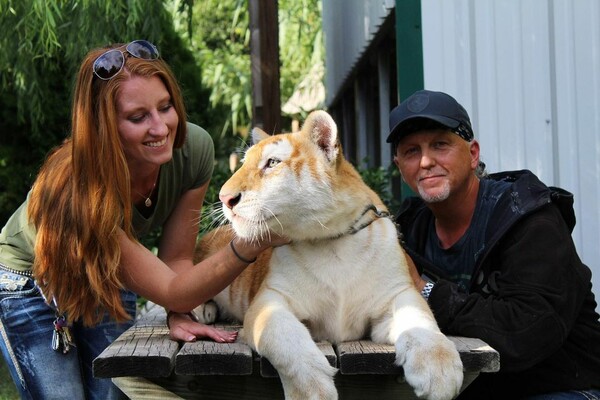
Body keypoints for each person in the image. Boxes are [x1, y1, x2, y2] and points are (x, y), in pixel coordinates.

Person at [0, 40, 287, 400]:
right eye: (138, 117)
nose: (161, 127)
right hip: (33, 281)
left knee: (115, 392)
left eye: (165, 107)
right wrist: (252, 241)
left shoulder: (192, 149)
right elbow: (171, 288)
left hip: (106, 270)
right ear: (105, 126)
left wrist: (178, 312)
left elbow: (177, 261)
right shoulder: (80, 189)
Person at [387, 89, 600, 400]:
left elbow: (525, 332)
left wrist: (424, 289)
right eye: (410, 151)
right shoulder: (408, 229)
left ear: (473, 153)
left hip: (563, 387)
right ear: (399, 166)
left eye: (440, 145)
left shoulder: (529, 219)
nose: (425, 161)